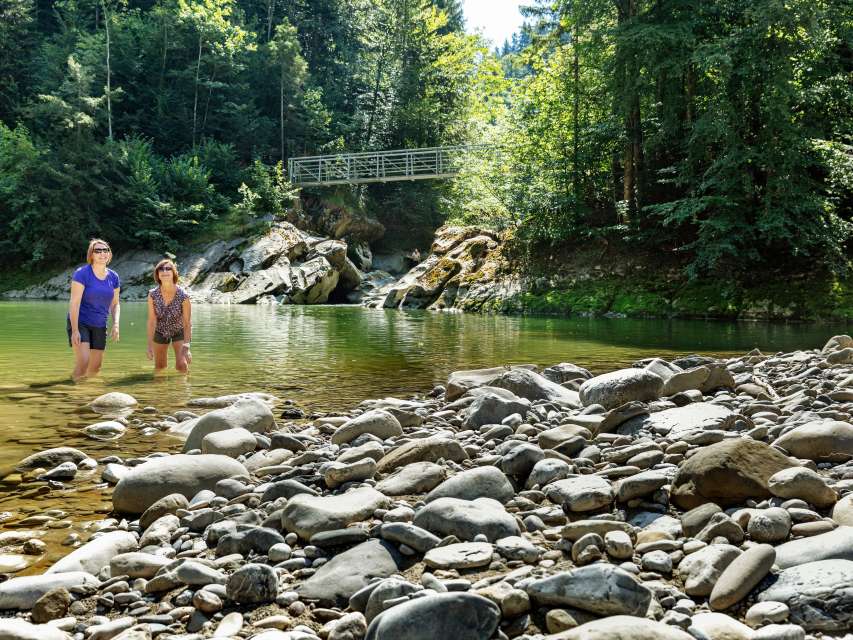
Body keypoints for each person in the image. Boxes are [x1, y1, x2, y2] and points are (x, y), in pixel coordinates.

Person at [67, 239, 121, 381]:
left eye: (105, 250)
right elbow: (74, 303)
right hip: (81, 322)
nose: (102, 253)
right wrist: (74, 330)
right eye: (98, 250)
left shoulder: (114, 277)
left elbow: (115, 304)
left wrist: (116, 324)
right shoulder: (82, 273)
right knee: (84, 362)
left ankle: (89, 393)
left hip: (99, 324)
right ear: (91, 254)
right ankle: (74, 393)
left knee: (95, 367)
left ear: (109, 254)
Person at [147, 258, 192, 372]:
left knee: (182, 365)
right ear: (158, 274)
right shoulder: (152, 294)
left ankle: (183, 388)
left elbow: (187, 323)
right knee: (160, 367)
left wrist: (187, 345)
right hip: (160, 331)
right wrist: (149, 346)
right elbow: (152, 321)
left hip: (179, 330)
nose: (164, 271)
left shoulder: (183, 296)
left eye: (168, 268)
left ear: (174, 273)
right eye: (161, 269)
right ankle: (162, 389)